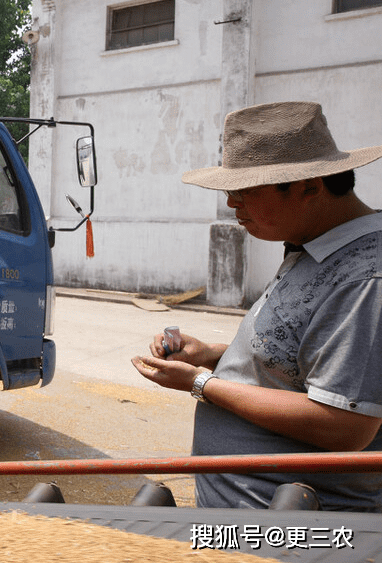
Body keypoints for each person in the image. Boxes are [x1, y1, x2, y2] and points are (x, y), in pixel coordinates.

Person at [132, 101, 382, 511]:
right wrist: (212, 355)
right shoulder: (315, 247)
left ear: (309, 186)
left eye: (245, 190)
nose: (233, 204)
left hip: (291, 529)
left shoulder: (366, 278)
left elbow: (346, 425)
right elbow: (293, 361)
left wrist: (200, 383)